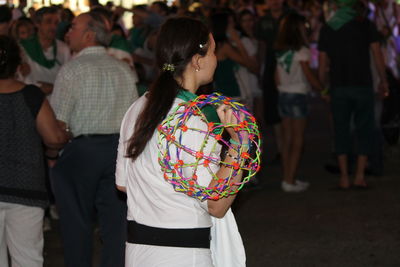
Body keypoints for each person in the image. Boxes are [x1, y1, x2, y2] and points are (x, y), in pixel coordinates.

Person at [116, 17, 248, 266]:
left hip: (138, 251)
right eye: (213, 52)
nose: (216, 59)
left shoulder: (137, 108)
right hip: (184, 253)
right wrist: (239, 144)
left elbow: (124, 184)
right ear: (198, 61)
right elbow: (216, 204)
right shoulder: (192, 121)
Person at [50, 11, 138, 267]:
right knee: (115, 225)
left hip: (83, 150)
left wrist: (54, 155)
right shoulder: (123, 70)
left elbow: (59, 124)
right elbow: (133, 117)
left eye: (73, 27)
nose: (68, 32)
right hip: (118, 151)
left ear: (89, 35)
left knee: (76, 223)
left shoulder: (72, 69)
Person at [0, 35, 68, 267]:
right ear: (18, 64)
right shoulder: (30, 95)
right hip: (26, 188)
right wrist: (64, 131)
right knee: (27, 258)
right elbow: (54, 138)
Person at [318, 0, 389, 189]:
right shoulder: (365, 25)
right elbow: (377, 54)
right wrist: (384, 79)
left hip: (338, 86)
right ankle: (359, 176)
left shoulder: (328, 27)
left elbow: (323, 63)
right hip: (362, 85)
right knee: (364, 130)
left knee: (341, 130)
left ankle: (344, 177)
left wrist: (322, 87)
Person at [275, 13, 324, 192]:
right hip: (297, 95)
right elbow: (309, 75)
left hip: (284, 95)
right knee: (298, 140)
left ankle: (287, 177)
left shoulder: (281, 51)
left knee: (287, 139)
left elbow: (277, 78)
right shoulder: (302, 51)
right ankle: (290, 179)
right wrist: (322, 89)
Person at [19, 7, 70, 95]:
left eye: (57, 23)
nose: (54, 27)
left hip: (55, 103)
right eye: (48, 22)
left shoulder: (64, 49)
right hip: (29, 102)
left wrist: (53, 88)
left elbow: (69, 80)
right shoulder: (22, 48)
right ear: (37, 24)